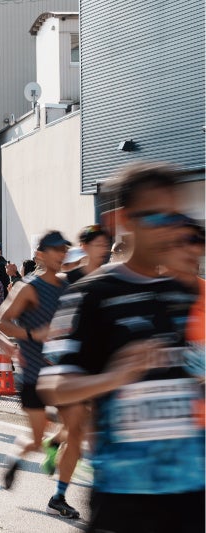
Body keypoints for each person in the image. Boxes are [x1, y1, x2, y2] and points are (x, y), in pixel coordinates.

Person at [37, 163, 204, 532]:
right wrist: (115, 377)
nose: (169, 227)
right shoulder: (93, 294)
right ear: (125, 219)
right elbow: (52, 386)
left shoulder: (186, 292)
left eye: (175, 216)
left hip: (192, 491)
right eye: (155, 215)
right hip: (124, 495)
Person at [0, 231, 74, 516]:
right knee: (36, 438)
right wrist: (31, 333)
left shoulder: (69, 285)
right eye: (55, 250)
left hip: (64, 374)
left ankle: (60, 494)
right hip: (35, 375)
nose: (61, 254)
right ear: (40, 254)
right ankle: (16, 457)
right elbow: (0, 322)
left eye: (64, 249)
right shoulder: (28, 287)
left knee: (76, 429)